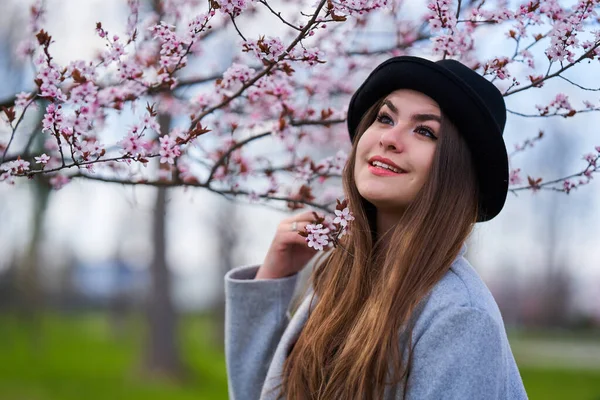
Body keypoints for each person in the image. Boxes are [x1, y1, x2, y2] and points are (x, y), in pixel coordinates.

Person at [224, 56, 529, 400]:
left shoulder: (459, 317)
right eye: (385, 118)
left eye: (425, 131)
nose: (390, 138)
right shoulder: (342, 279)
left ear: (456, 173)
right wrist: (272, 278)